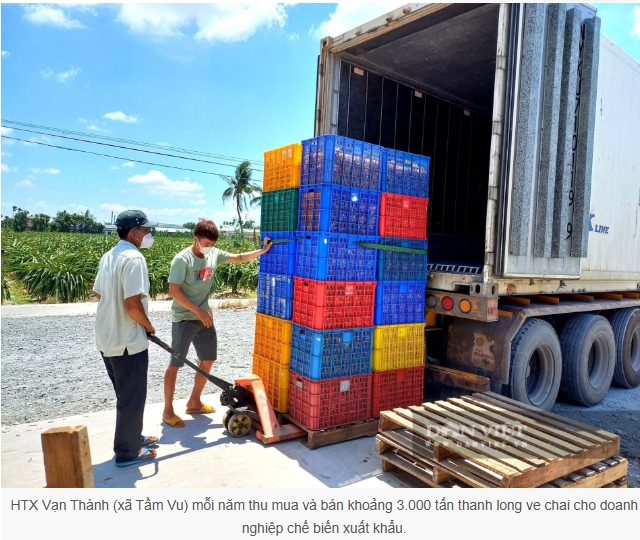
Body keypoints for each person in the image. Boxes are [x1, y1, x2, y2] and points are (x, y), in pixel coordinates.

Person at [163, 219, 272, 427]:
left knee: (208, 359)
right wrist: (197, 310)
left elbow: (239, 258)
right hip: (184, 318)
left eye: (212, 244)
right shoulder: (182, 260)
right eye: (206, 243)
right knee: (175, 364)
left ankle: (194, 402)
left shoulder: (213, 254)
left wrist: (262, 251)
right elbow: (174, 291)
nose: (209, 247)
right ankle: (167, 411)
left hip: (204, 317)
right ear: (195, 239)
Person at [93, 209, 160, 466]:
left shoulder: (108, 256)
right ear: (134, 233)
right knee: (132, 398)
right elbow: (132, 305)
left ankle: (133, 437)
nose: (148, 234)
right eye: (145, 230)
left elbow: (99, 293)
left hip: (107, 336)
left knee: (125, 395)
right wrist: (149, 327)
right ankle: (127, 452)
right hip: (127, 342)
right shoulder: (134, 258)